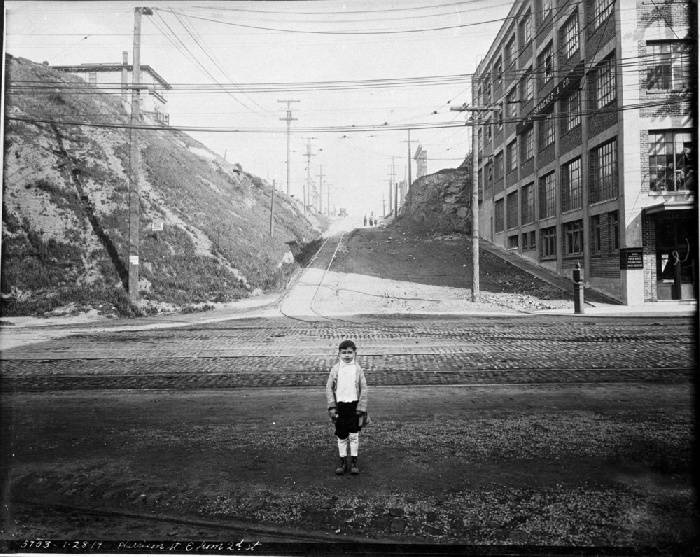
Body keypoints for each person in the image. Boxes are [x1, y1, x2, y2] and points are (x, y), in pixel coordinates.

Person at [326, 340, 368, 475]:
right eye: (344, 352)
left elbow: (364, 389)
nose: (347, 355)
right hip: (340, 407)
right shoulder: (335, 370)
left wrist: (361, 408)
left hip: (354, 407)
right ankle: (343, 462)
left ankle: (354, 462)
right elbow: (328, 388)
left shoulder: (358, 370)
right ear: (339, 354)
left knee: (354, 435)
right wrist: (332, 406)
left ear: (355, 353)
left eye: (350, 352)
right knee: (342, 436)